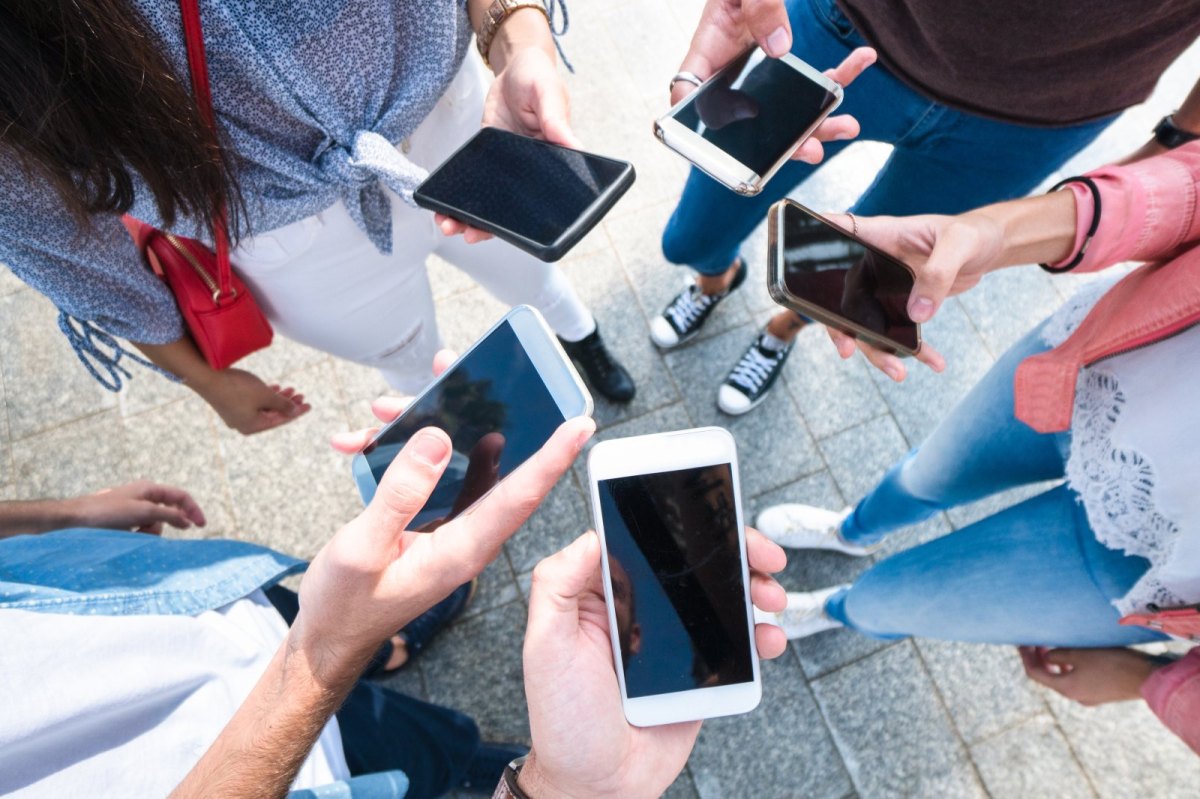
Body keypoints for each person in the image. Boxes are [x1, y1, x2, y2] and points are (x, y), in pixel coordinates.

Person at [0, 389, 791, 796]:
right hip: (291, 760)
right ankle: (437, 720)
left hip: (177, 601)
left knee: (320, 627)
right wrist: (322, 654)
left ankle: (382, 637)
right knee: (433, 750)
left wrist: (63, 516)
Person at [0, 0, 634, 440]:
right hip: (280, 233)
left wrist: (518, 34)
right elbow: (47, 224)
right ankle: (468, 438)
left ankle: (581, 337)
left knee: (531, 270)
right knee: (410, 359)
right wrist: (202, 379)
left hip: (457, 118)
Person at [754, 143, 1200, 755]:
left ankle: (840, 606)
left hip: (1161, 568)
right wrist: (992, 231)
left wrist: (1159, 683)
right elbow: (1187, 189)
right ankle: (852, 530)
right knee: (929, 472)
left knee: (895, 600)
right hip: (1111, 358)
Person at [652, 0, 1200, 414]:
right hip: (850, 29)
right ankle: (715, 281)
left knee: (853, 280)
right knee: (692, 237)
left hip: (1039, 117)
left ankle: (780, 330)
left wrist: (1181, 136)